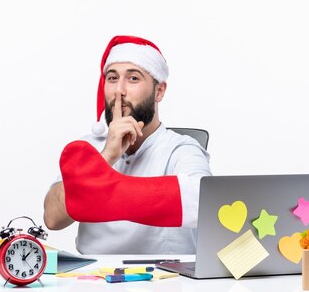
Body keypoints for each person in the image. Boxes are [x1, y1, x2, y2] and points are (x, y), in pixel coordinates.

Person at [43, 35, 211, 254]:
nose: (119, 90)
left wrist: (100, 188)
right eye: (112, 78)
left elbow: (203, 201)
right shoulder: (89, 148)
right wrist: (105, 159)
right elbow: (52, 218)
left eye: (133, 78)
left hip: (164, 280)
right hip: (93, 278)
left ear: (159, 91)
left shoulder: (180, 149)